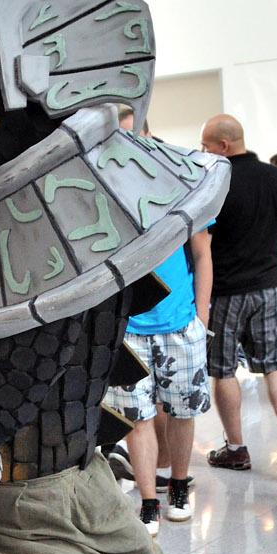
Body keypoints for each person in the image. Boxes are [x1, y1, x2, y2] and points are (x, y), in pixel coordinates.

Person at [199, 113, 277, 478]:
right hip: (271, 286)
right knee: (276, 365)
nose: (203, 152)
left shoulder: (215, 181)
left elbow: (203, 245)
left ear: (223, 145)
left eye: (206, 146)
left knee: (223, 369)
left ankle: (236, 448)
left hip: (227, 291)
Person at [106, 228, 213, 534]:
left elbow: (202, 252)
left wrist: (201, 318)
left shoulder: (182, 199)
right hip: (129, 327)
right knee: (137, 418)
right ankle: (149, 501)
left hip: (180, 322)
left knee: (183, 411)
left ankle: (179, 485)